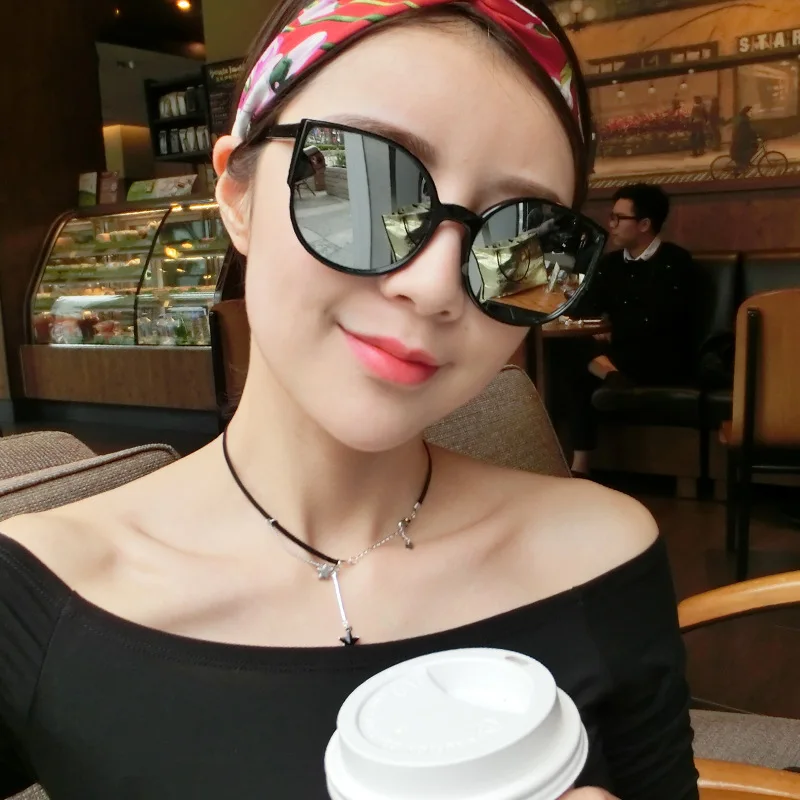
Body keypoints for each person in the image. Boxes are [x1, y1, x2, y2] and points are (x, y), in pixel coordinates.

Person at [0, 1, 698, 798]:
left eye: (522, 240)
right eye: (367, 186)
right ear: (237, 193)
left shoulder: (604, 553)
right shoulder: (38, 593)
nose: (434, 286)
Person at [568, 183, 696, 476]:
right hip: (617, 355)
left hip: (662, 353)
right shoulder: (610, 264)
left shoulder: (675, 262)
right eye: (611, 217)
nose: (611, 225)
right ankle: (611, 376)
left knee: (580, 364)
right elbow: (584, 308)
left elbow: (664, 321)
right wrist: (595, 327)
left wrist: (612, 331)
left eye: (618, 218)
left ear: (644, 224)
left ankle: (580, 465)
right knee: (566, 347)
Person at [731, 105, 759, 171]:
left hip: (739, 142)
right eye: (750, 112)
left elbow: (749, 131)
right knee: (752, 149)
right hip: (739, 143)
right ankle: (741, 166)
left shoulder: (744, 119)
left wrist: (756, 135)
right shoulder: (744, 121)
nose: (752, 113)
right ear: (746, 112)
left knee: (754, 146)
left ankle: (746, 163)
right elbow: (747, 132)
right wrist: (756, 136)